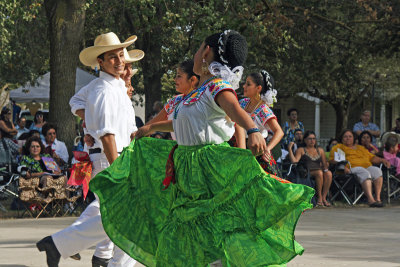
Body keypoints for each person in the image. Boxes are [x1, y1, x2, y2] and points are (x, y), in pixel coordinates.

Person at [90, 30, 314, 266]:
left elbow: (236, 111)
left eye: (198, 49)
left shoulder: (218, 87)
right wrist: (151, 128)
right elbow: (184, 122)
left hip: (205, 168)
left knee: (207, 228)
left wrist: (253, 130)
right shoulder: (195, 93)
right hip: (185, 167)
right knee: (186, 232)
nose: (196, 54)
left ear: (206, 52)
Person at [36, 32, 143, 267]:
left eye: (120, 56)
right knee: (126, 217)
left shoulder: (116, 88)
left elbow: (121, 130)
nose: (120, 62)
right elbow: (107, 135)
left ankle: (62, 245)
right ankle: (65, 245)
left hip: (118, 157)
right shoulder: (103, 91)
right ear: (100, 62)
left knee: (112, 214)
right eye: (112, 57)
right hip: (110, 159)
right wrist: (118, 170)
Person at [238, 70, 284, 175]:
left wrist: (268, 149)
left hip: (257, 152)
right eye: (245, 83)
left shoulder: (263, 109)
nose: (244, 86)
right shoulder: (242, 103)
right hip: (239, 147)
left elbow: (279, 132)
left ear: (258, 88)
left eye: (248, 84)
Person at [329, 129, 390, 207]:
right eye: (345, 137)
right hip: (350, 169)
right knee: (364, 172)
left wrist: (382, 160)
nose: (348, 138)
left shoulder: (360, 148)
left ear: (354, 138)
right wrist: (342, 166)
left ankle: (377, 199)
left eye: (350, 136)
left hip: (365, 167)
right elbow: (333, 160)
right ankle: (370, 200)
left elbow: (372, 158)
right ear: (342, 138)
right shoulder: (338, 147)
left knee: (377, 171)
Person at [288, 130, 333, 207]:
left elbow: (325, 164)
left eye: (314, 138)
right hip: (306, 172)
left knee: (328, 173)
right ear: (305, 140)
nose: (312, 141)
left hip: (319, 171)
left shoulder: (320, 150)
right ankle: (319, 198)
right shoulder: (301, 150)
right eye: (310, 139)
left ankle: (324, 197)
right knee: (319, 173)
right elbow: (294, 161)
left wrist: (326, 170)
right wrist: (289, 149)